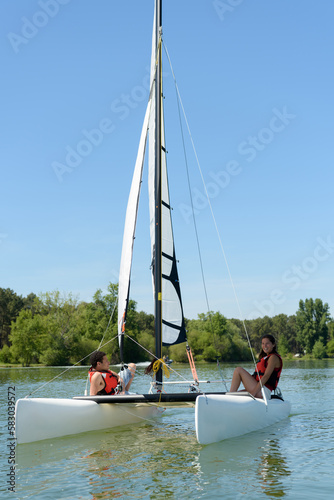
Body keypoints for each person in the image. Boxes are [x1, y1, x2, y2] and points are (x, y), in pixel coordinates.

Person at [229, 334, 282, 399]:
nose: (264, 346)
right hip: (259, 390)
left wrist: (253, 393)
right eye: (263, 343)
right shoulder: (265, 357)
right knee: (236, 394)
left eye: (267, 343)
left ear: (273, 344)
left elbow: (266, 376)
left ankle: (229, 397)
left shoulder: (273, 357)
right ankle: (230, 396)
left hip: (263, 392)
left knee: (238, 370)